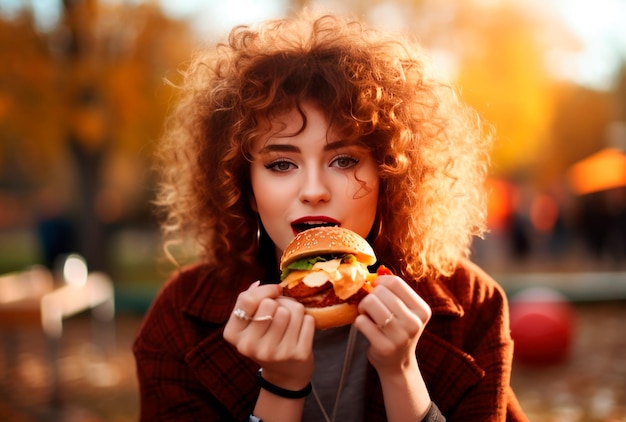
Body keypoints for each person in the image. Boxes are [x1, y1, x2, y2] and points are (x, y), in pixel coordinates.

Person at [133, 10, 528, 422]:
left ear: (389, 175)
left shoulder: (473, 306)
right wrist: (281, 386)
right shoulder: (179, 319)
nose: (314, 190)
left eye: (343, 159)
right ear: (244, 188)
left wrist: (401, 372)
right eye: (281, 165)